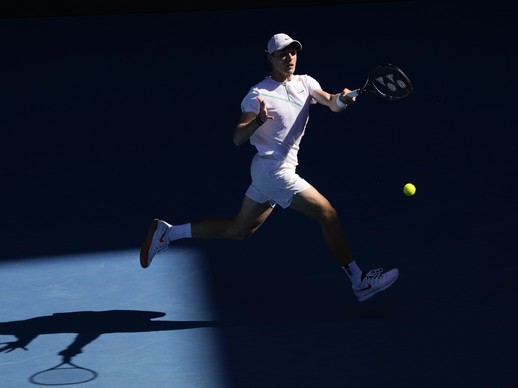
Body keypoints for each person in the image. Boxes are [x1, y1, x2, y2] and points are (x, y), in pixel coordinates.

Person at [139, 33, 398, 302]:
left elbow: (330, 102)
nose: (289, 58)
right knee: (328, 214)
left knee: (239, 230)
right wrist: (259, 120)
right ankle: (359, 281)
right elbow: (238, 137)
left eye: (293, 52)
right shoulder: (258, 94)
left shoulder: (305, 83)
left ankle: (168, 232)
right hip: (273, 171)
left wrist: (342, 99)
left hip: (272, 171)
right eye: (283, 53)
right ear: (270, 57)